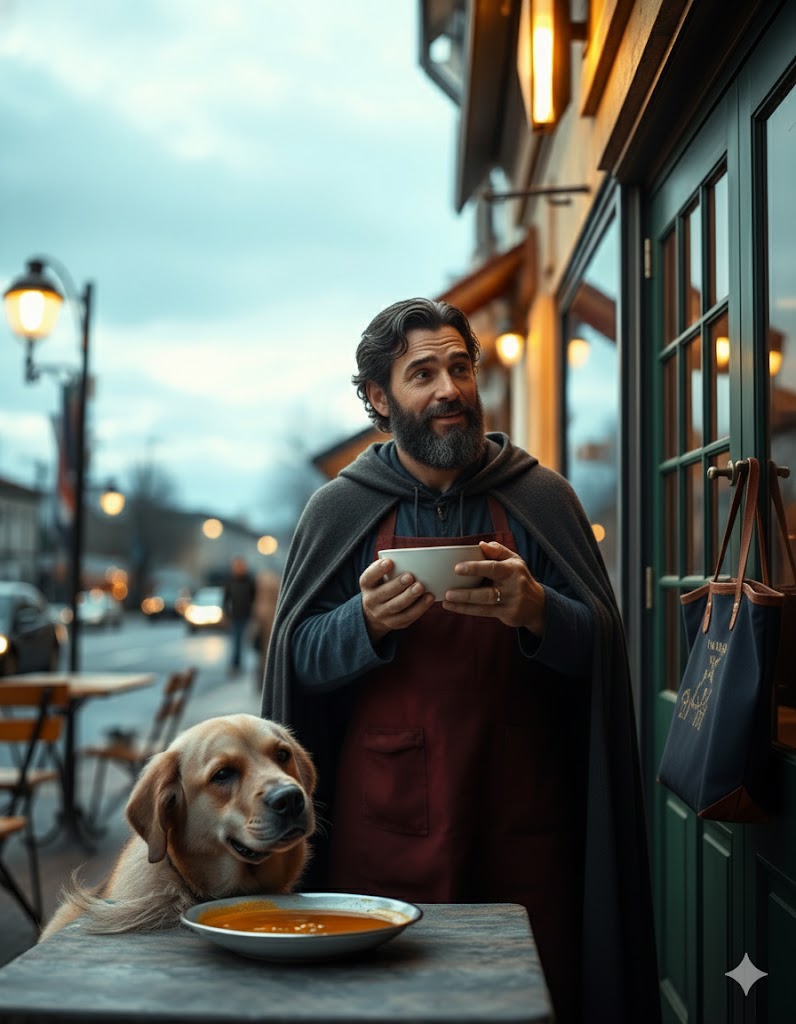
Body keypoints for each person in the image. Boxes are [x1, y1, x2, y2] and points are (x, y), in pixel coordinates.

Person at [262, 298, 660, 1024]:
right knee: (387, 1002)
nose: (449, 387)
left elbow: (601, 644)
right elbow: (296, 661)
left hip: (524, 814)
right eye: (423, 373)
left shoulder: (541, 497)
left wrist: (537, 611)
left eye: (460, 367)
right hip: (383, 818)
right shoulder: (339, 509)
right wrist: (362, 624)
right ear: (380, 398)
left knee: (532, 998)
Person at [222, 555, 256, 676]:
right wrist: (225, 616)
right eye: (236, 566)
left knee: (248, 642)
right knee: (236, 642)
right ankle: (236, 665)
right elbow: (225, 600)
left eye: (241, 566)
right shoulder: (229, 581)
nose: (239, 568)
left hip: (247, 616)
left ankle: (250, 666)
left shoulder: (250, 581)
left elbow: (254, 598)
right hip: (235, 616)